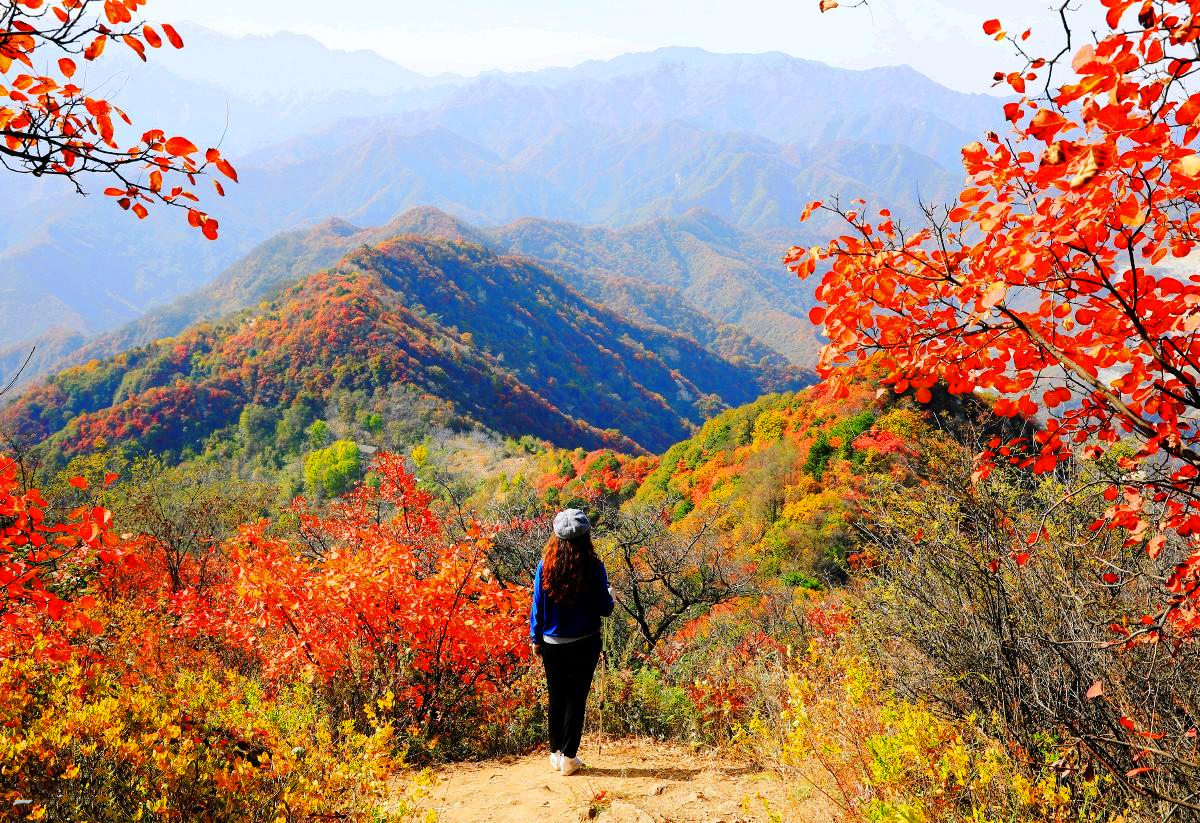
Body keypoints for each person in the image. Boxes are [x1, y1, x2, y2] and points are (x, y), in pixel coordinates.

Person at [529, 508, 615, 776]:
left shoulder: (546, 565)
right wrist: (610, 595)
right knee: (576, 698)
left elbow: (537, 606)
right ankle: (569, 757)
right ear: (585, 535)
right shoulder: (593, 566)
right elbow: (605, 609)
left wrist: (535, 637)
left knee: (557, 697)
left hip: (551, 643)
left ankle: (555, 754)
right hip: (585, 641)